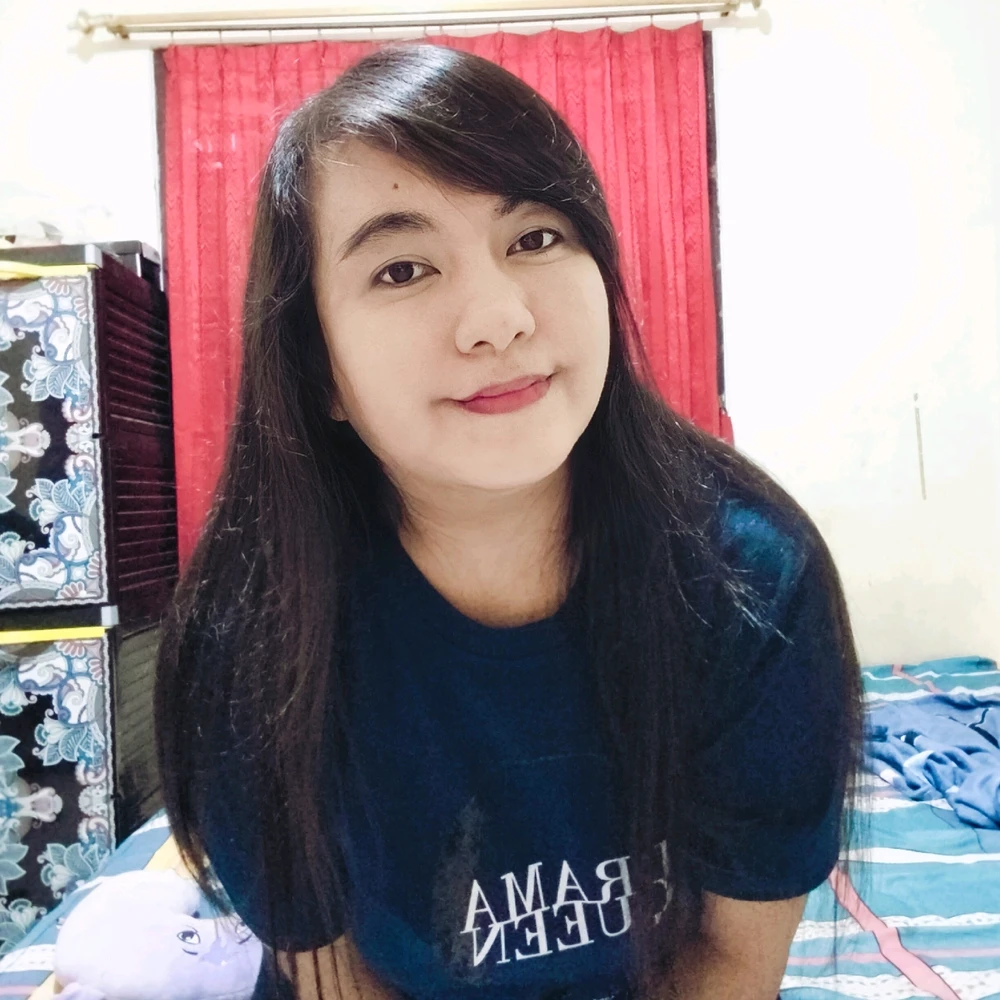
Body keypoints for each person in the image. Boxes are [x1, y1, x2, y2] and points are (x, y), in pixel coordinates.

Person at [154, 42, 866, 1000]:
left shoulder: (753, 582)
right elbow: (337, 980)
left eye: (534, 238)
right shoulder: (248, 642)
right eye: (404, 269)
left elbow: (733, 966)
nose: (498, 318)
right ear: (319, 370)